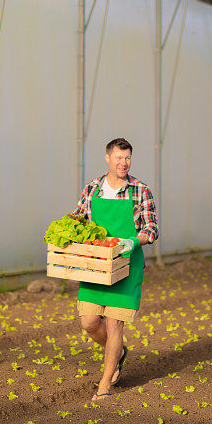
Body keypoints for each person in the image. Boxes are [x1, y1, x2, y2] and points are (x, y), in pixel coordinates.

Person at [73, 137, 158, 402]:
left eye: (128, 158)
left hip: (126, 266)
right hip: (97, 266)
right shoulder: (93, 189)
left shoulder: (140, 190)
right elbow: (79, 218)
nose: (124, 163)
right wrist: (67, 231)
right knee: (88, 321)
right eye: (119, 158)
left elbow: (152, 229)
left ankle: (104, 385)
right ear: (107, 158)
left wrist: (133, 241)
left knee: (114, 324)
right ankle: (118, 352)